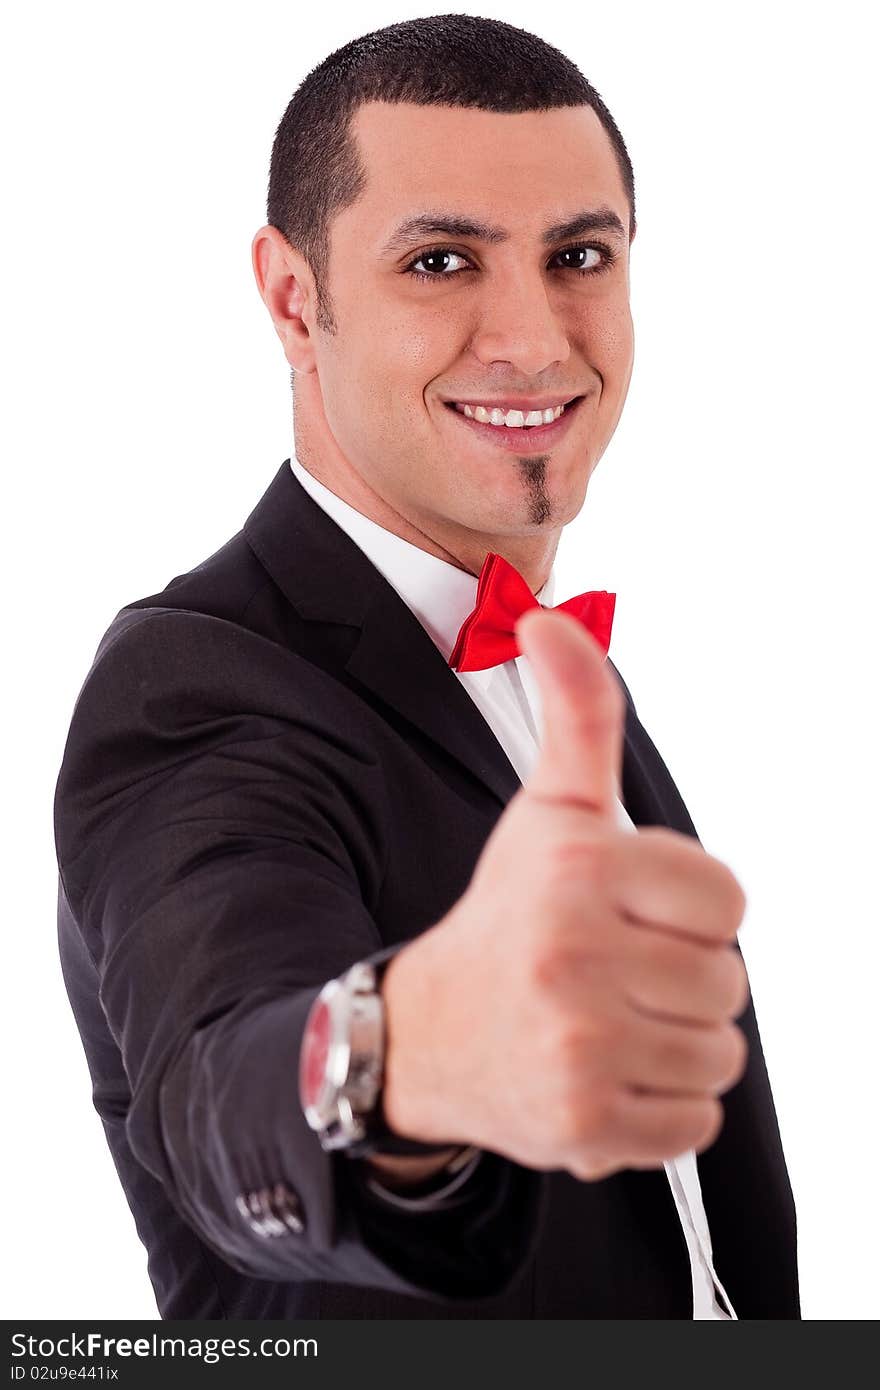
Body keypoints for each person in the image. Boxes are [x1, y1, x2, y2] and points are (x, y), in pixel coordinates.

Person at [53, 14, 799, 1319]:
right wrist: (408, 1059)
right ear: (295, 299)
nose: (532, 336)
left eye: (578, 255)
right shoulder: (195, 686)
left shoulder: (558, 683)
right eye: (443, 259)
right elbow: (225, 1072)